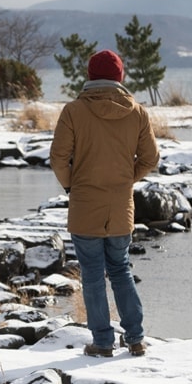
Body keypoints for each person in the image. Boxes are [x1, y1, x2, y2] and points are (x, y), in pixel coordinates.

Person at [50, 49, 160, 357]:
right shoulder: (137, 112)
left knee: (93, 274)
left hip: (85, 203)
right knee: (121, 269)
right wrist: (127, 179)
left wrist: (71, 183)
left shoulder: (73, 111)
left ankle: (102, 342)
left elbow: (58, 158)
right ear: (119, 77)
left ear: (90, 76)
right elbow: (151, 158)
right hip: (120, 205)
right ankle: (136, 338)